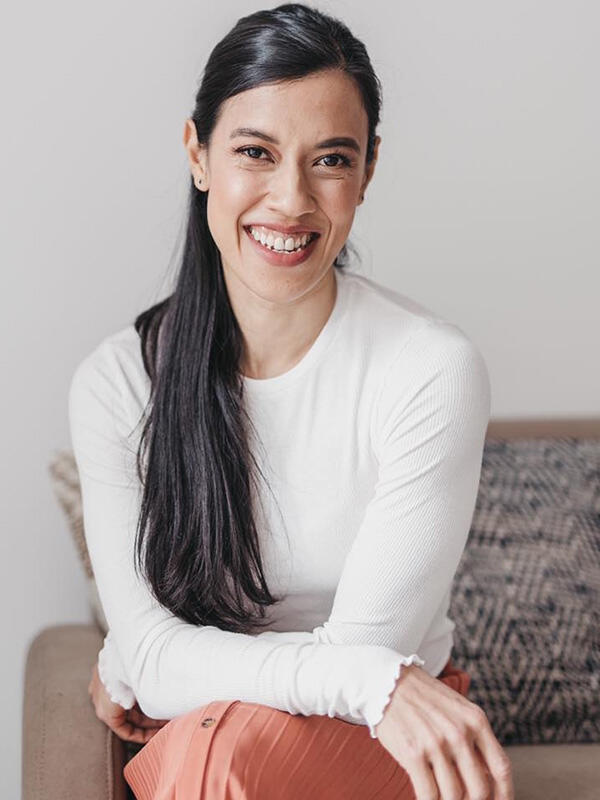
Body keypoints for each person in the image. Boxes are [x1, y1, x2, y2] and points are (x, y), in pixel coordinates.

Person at [70, 3, 514, 798]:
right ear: (197, 154)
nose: (291, 199)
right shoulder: (120, 381)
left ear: (368, 171)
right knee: (213, 756)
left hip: (389, 734)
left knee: (210, 760)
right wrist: (144, 661)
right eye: (255, 151)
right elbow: (151, 654)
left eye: (331, 160)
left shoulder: (428, 369)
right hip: (286, 722)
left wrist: (158, 667)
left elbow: (368, 653)